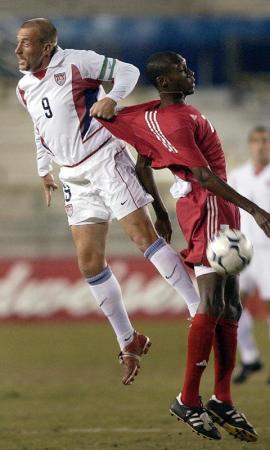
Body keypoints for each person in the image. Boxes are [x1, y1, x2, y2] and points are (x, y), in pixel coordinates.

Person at [15, 20, 201, 386]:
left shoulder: (76, 62)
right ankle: (129, 339)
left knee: (142, 236)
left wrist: (112, 97)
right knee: (88, 263)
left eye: (25, 44)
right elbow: (41, 127)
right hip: (73, 176)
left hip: (104, 159)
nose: (18, 50)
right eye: (18, 44)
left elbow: (128, 71)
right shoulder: (24, 88)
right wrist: (43, 169)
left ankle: (198, 307)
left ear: (47, 47)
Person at [97, 51, 270, 441]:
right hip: (209, 207)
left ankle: (222, 399)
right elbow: (204, 177)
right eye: (181, 69)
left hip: (216, 208)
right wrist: (257, 210)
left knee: (230, 305)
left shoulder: (156, 114)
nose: (189, 73)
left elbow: (143, 163)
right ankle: (189, 398)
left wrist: (159, 210)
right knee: (212, 302)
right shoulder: (174, 122)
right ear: (163, 81)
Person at [229, 127, 270, 384]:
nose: (260, 145)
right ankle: (250, 357)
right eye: (256, 140)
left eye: (265, 141)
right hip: (242, 250)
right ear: (249, 145)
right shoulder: (237, 175)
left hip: (268, 250)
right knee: (233, 306)